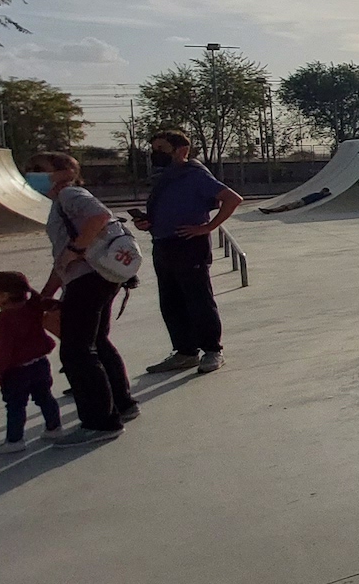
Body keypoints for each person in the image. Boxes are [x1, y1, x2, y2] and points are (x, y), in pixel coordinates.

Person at [33, 151, 137, 442]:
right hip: (94, 277)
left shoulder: (70, 194)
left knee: (77, 350)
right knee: (96, 343)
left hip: (88, 279)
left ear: (65, 171)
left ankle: (101, 423)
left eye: (40, 169)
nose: (33, 175)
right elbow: (62, 259)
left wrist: (77, 250)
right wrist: (48, 292)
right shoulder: (63, 201)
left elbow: (100, 217)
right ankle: (123, 403)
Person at [131, 130, 243, 375]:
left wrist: (208, 227)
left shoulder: (194, 175)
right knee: (171, 302)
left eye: (162, 149)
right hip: (163, 243)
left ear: (181, 151)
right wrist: (147, 222)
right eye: (154, 149)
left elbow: (233, 199)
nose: (155, 154)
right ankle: (185, 352)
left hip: (189, 245)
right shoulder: (163, 178)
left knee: (198, 299)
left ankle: (212, 350)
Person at [0, 270, 62, 455]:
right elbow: (43, 301)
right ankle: (54, 428)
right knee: (45, 396)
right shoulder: (32, 308)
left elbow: (4, 351)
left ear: (4, 296)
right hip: (40, 363)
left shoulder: (0, 321)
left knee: (15, 405)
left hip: (16, 371)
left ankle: (15, 440)